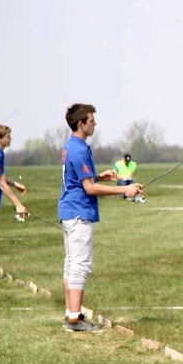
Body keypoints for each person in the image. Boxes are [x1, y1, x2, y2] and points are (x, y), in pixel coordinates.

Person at [58, 104, 143, 331]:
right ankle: (75, 318)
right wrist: (124, 190)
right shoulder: (78, 149)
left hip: (70, 211)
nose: (94, 123)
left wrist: (100, 177)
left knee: (71, 263)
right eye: (91, 120)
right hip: (78, 212)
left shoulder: (73, 146)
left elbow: (83, 179)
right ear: (81, 124)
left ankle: (70, 314)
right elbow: (88, 188)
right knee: (80, 265)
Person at [0, 125, 28, 281]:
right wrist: (18, 204)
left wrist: (15, 184)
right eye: (8, 137)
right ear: (0, 139)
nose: (10, 139)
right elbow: (1, 184)